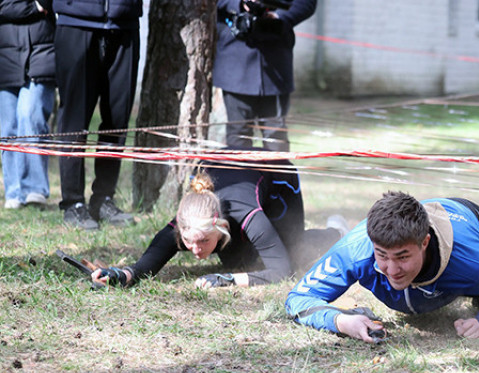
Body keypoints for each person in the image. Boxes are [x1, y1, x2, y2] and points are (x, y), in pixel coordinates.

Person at [285, 191, 479, 342]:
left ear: (424, 243)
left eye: (402, 257)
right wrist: (341, 321)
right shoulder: (355, 250)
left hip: (471, 226)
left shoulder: (474, 257)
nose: (391, 269)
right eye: (382, 255)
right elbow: (297, 298)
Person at [91, 160, 347, 288]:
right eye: (189, 241)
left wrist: (227, 279)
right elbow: (143, 266)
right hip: (225, 174)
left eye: (204, 241)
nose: (195, 250)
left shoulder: (248, 215)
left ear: (221, 227)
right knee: (238, 259)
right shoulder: (186, 225)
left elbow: (282, 271)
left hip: (277, 176)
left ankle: (337, 232)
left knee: (293, 251)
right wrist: (119, 275)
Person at [53, 0, 142, 229]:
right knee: (74, 120)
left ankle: (104, 198)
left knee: (117, 120)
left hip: (124, 22)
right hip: (76, 21)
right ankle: (73, 203)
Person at [215, 0, 316, 152]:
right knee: (238, 133)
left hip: (275, 61)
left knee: (275, 133)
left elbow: (305, 3)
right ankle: (239, 169)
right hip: (235, 60)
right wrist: (240, 4)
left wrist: (279, 16)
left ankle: (277, 169)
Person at [0, 0, 55, 209]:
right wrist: (33, 7)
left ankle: (34, 189)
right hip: (5, 57)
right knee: (8, 127)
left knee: (30, 115)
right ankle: (14, 192)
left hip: (42, 52)